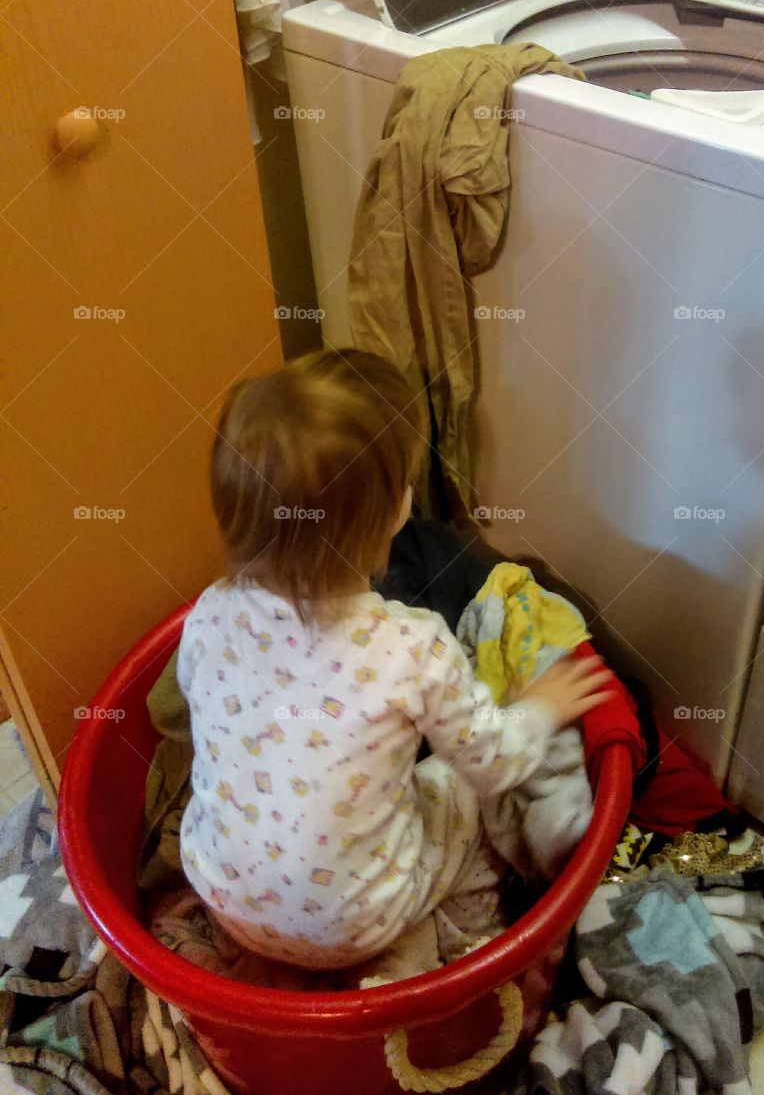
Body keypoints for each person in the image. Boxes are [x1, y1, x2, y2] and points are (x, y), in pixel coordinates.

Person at [177, 348, 614, 971]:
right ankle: (474, 924)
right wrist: (541, 708)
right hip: (358, 924)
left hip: (226, 900)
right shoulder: (414, 645)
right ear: (396, 512)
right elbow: (495, 762)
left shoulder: (206, 615)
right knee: (461, 788)